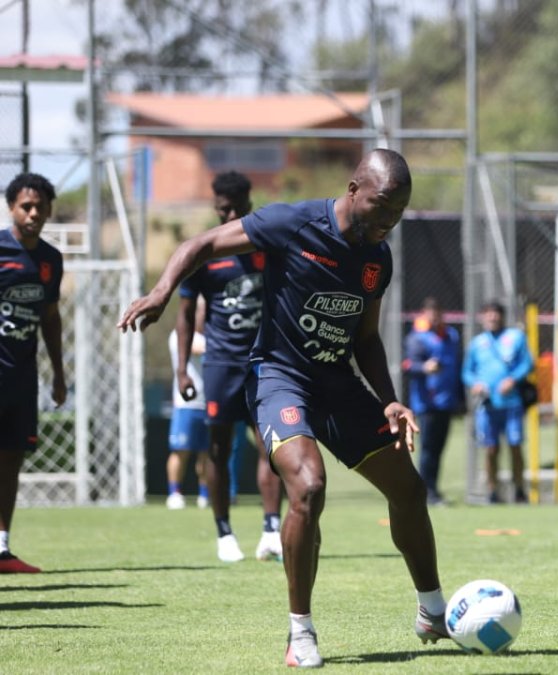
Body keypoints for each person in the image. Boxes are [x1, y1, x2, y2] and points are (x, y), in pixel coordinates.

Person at [119, 149, 450, 667]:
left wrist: (389, 400)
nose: (389, 220)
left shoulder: (376, 258)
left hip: (337, 384)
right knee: (310, 487)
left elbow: (365, 339)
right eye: (382, 206)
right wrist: (163, 291)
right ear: (353, 189)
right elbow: (201, 243)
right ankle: (301, 633)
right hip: (279, 378)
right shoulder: (292, 222)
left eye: (399, 212)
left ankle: (433, 610)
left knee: (408, 487)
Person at [175, 171, 284, 562]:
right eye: (224, 209)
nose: (231, 215)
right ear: (216, 208)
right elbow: (185, 314)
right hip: (221, 364)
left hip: (265, 364)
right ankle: (224, 533)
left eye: (237, 208)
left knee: (271, 446)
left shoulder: (268, 247)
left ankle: (272, 529)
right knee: (219, 449)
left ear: (249, 205)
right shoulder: (206, 253)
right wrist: (182, 368)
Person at [0, 173, 66, 574]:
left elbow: (51, 318)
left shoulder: (50, 259)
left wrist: (58, 373)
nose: (34, 213)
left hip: (23, 378)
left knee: (11, 460)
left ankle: (2, 548)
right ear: (12, 207)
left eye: (41, 206)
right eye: (27, 205)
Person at [462, 300, 533, 504]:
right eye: (488, 313)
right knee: (491, 449)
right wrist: (475, 384)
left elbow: (527, 363)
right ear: (483, 317)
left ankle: (519, 490)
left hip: (512, 404)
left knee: (515, 446)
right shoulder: (477, 343)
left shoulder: (515, 337)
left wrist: (512, 379)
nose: (492, 317)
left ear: (501, 316)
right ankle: (493, 491)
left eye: (496, 313)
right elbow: (467, 372)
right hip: (487, 406)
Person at [403, 296, 463, 506]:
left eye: (437, 312)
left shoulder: (450, 335)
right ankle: (424, 491)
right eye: (431, 313)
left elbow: (456, 366)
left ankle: (433, 490)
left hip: (446, 402)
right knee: (427, 449)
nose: (435, 317)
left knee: (438, 449)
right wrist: (425, 367)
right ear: (425, 314)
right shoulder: (417, 337)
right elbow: (409, 366)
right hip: (426, 403)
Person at [166, 326, 212, 510]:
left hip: (208, 403)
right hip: (186, 404)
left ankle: (205, 494)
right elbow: (197, 349)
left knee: (207, 454)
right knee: (180, 451)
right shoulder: (180, 332)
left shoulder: (210, 334)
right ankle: (174, 493)